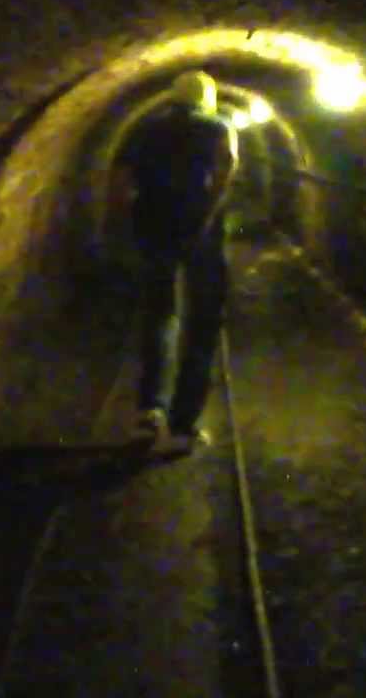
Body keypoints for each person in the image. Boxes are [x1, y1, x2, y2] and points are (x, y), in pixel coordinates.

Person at [106, 69, 240, 455]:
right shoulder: (220, 125)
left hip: (152, 225)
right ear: (207, 99)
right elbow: (226, 166)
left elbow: (119, 178)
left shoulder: (144, 128)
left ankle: (150, 411)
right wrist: (208, 213)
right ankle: (184, 423)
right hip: (201, 233)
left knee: (159, 313)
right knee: (204, 320)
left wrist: (123, 223)